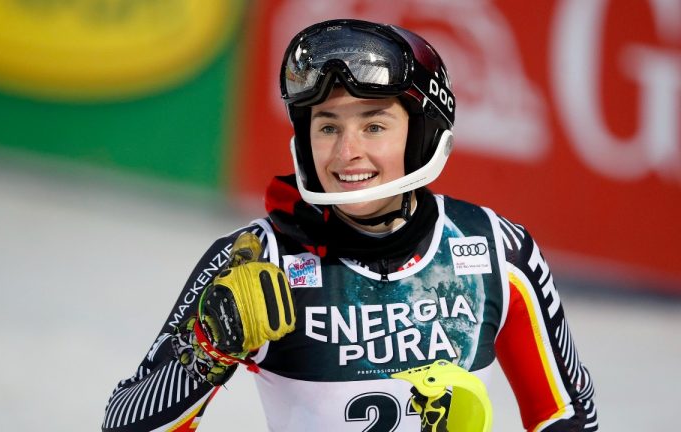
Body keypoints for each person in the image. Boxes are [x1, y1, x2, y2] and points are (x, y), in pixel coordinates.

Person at [102, 19, 598, 432]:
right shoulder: (257, 258)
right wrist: (206, 352)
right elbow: (122, 422)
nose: (346, 153)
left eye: (374, 125)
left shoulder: (494, 248)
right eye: (328, 126)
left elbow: (568, 415)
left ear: (422, 137)